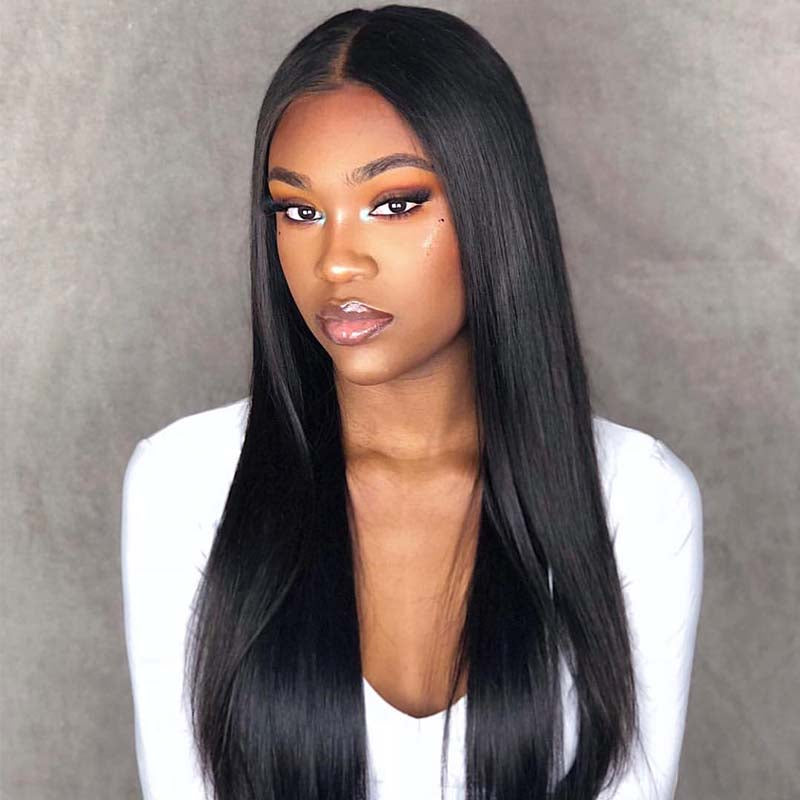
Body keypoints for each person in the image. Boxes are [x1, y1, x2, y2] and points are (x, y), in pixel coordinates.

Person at [120, 5, 704, 799]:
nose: (337, 263)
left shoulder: (634, 497)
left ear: (494, 207)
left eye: (394, 203)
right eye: (298, 211)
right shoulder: (186, 483)